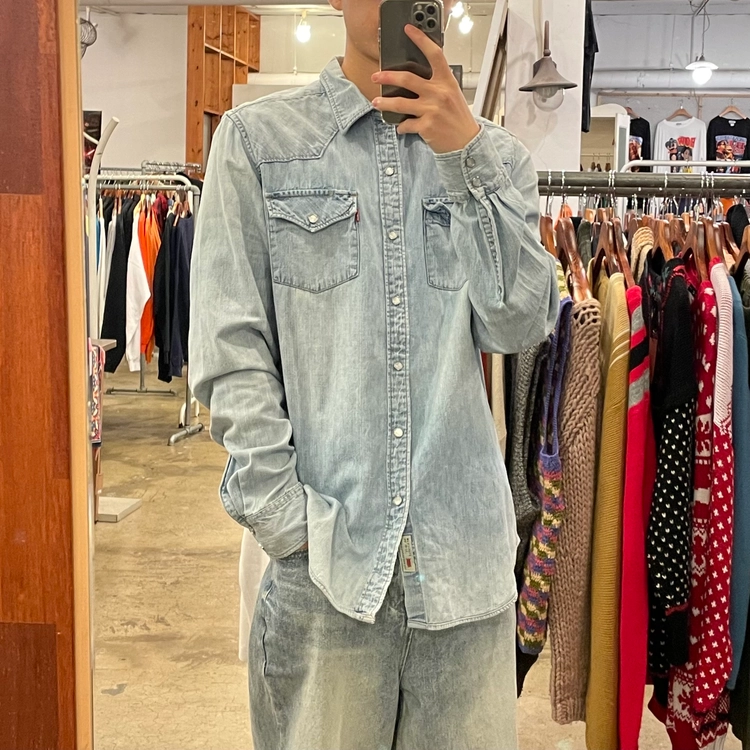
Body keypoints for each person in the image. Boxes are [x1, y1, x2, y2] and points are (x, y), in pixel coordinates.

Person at [188, 0, 559, 746]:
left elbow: (520, 323)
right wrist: (287, 525)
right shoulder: (261, 144)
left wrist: (466, 159)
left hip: (463, 578)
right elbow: (230, 352)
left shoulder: (498, 158)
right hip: (326, 574)